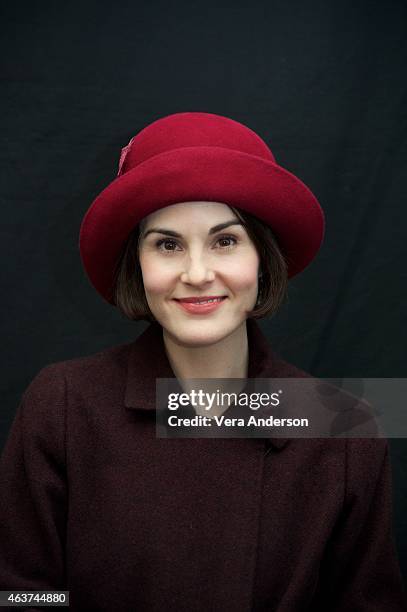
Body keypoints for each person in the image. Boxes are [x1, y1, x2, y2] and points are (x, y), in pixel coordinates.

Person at [0, 112, 405, 611]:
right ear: (137, 263)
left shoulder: (348, 423)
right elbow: (19, 592)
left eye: (225, 241)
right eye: (167, 244)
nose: (197, 273)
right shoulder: (62, 403)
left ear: (263, 258)